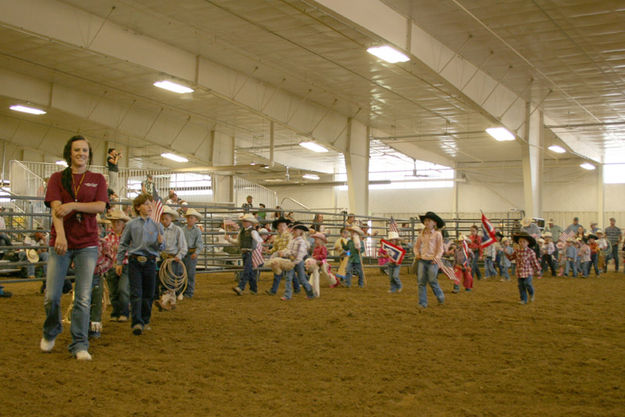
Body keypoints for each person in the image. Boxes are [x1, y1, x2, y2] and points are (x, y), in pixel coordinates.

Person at [40, 135, 108, 361]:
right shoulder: (57, 178)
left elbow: (99, 206)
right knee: (51, 295)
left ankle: (79, 343)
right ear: (69, 152)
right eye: (77, 150)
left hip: (87, 243)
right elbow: (56, 209)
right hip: (61, 242)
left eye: (85, 150)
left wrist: (74, 206)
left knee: (83, 297)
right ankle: (51, 331)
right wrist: (60, 235)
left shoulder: (98, 179)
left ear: (89, 154)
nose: (81, 154)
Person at [116, 193, 164, 336]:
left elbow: (161, 247)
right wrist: (119, 262)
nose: (150, 207)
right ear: (138, 207)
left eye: (151, 204)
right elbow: (123, 243)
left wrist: (160, 243)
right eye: (146, 204)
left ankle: (145, 319)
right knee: (137, 292)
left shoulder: (157, 225)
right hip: (135, 261)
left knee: (148, 293)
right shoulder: (131, 225)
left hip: (150, 260)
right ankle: (137, 321)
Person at [156, 206, 187, 305]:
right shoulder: (158, 230)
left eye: (166, 219)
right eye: (162, 219)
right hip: (161, 257)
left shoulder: (177, 230)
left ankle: (164, 301)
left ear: (171, 218)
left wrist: (179, 256)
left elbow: (183, 246)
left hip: (173, 258)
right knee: (162, 278)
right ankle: (171, 300)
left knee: (169, 279)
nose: (164, 221)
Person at [413, 212, 445, 308]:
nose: (426, 222)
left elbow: (440, 249)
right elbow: (416, 247)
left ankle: (440, 297)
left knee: (432, 281)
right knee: (421, 282)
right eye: (425, 220)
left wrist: (436, 258)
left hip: (432, 261)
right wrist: (417, 254)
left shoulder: (438, 234)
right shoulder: (421, 234)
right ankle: (422, 303)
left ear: (434, 223)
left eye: (428, 220)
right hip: (422, 260)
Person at [226, 213, 262, 295]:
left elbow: (259, 241)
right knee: (250, 271)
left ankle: (240, 287)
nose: (244, 222)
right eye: (243, 221)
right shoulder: (241, 232)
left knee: (246, 270)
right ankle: (253, 289)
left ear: (250, 222)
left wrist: (255, 250)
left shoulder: (253, 232)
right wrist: (229, 239)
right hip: (245, 253)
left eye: (245, 221)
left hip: (250, 253)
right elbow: (238, 243)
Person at [104, 209, 130, 322]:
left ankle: (124, 312)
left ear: (123, 223)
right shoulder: (108, 237)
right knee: (113, 291)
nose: (115, 224)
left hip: (125, 265)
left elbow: (133, 251)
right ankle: (116, 312)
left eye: (118, 222)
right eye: (113, 222)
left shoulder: (128, 237)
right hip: (111, 266)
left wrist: (120, 250)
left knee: (123, 289)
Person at [281, 222, 315, 300]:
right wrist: (284, 253)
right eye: (294, 230)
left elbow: (300, 255)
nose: (293, 231)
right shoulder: (292, 240)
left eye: (295, 230)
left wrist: (293, 261)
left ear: (300, 231)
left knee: (302, 279)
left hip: (297, 262)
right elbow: (289, 250)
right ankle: (287, 295)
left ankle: (310, 293)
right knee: (288, 278)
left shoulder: (301, 242)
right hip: (292, 261)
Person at [506, 232, 541, 304]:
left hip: (528, 272)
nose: (521, 243)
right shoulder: (517, 251)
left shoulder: (531, 252)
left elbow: (534, 261)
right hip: (519, 272)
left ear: (528, 243)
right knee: (521, 286)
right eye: (520, 241)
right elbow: (511, 258)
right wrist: (506, 253)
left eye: (524, 241)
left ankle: (531, 293)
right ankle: (523, 299)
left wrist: (538, 270)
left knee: (527, 283)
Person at [265, 217, 292, 296]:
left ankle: (274, 290)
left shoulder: (289, 236)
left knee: (288, 273)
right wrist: (269, 251)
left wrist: (283, 252)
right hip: (280, 257)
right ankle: (273, 290)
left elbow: (290, 246)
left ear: (286, 226)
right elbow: (275, 248)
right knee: (280, 272)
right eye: (280, 226)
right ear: (277, 227)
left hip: (286, 256)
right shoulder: (277, 237)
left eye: (283, 225)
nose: (282, 227)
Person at [182, 208, 203, 299]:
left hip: (191, 254)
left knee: (190, 273)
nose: (190, 219)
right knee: (182, 273)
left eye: (192, 218)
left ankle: (189, 292)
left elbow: (200, 243)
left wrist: (196, 252)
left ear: (195, 220)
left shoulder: (197, 230)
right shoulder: (182, 230)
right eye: (189, 217)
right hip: (183, 253)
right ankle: (182, 291)